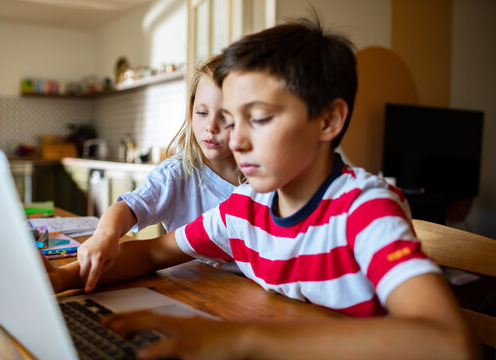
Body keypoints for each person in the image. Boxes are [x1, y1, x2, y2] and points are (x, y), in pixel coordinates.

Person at [46, 15, 476, 360]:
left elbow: (447, 343)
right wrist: (60, 277)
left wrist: (244, 342)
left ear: (328, 120)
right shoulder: (245, 208)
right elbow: (153, 252)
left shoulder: (365, 211)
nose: (235, 140)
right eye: (234, 119)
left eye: (260, 118)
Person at [76, 54, 242, 293]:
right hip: (192, 289)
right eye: (202, 113)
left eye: (225, 116)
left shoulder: (262, 180)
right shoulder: (177, 173)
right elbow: (129, 208)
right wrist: (104, 235)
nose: (210, 127)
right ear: (190, 111)